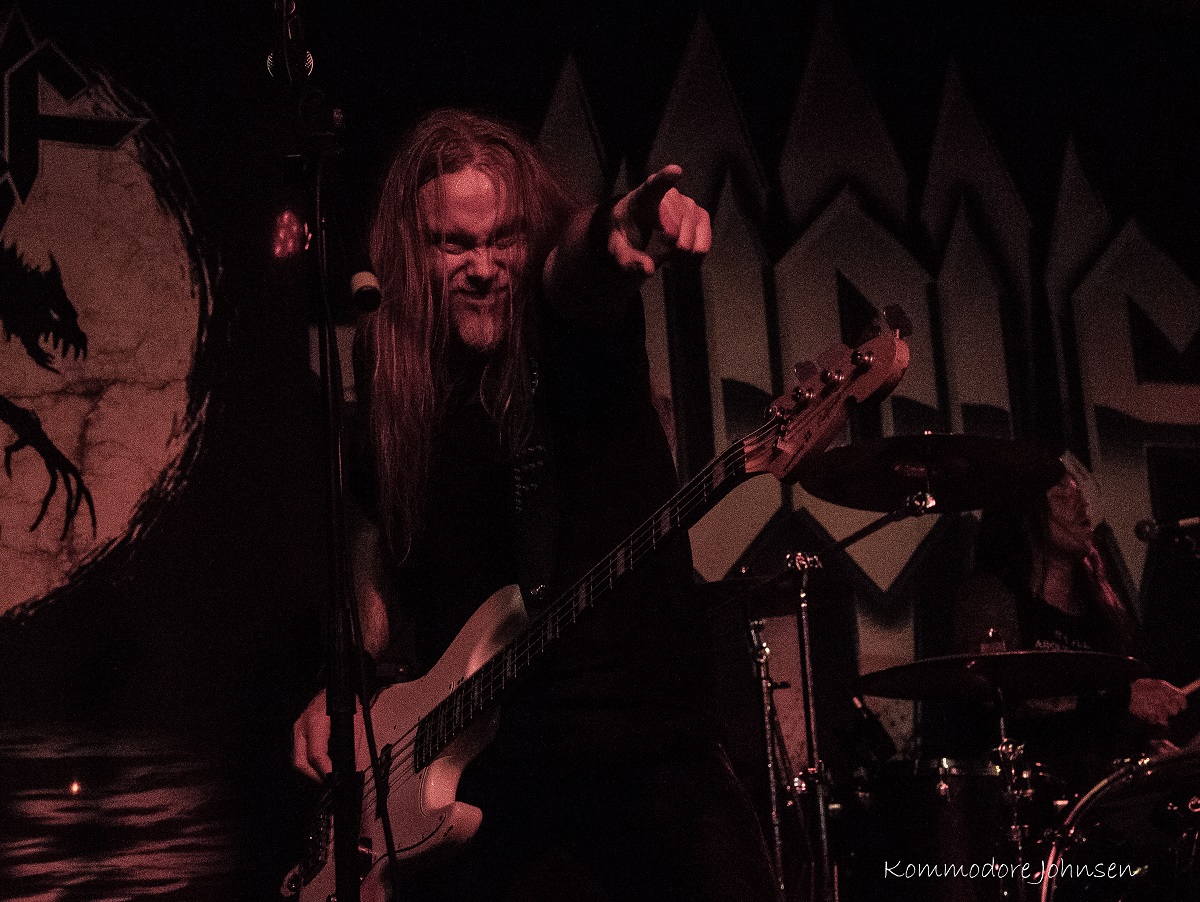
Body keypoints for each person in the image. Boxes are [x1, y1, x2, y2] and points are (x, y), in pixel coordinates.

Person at [291, 109, 776, 902]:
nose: (484, 267)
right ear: (411, 253)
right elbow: (371, 529)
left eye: (505, 239)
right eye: (453, 244)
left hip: (650, 762)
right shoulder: (394, 378)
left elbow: (576, 272)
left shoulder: (566, 335)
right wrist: (345, 679)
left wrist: (616, 230)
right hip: (495, 787)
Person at [953, 469, 1188, 789]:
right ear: (1022, 515)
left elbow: (1118, 718)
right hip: (1026, 789)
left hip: (1100, 793)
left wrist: (1153, 746)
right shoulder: (991, 596)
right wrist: (1122, 700)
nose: (1080, 503)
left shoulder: (1103, 612)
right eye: (1060, 496)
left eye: (1079, 492)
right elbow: (996, 691)